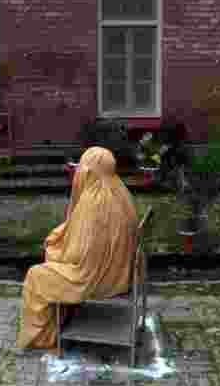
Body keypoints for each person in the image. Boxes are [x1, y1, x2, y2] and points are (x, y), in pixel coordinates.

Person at [17, 146, 138, 349]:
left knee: (35, 275)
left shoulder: (93, 201)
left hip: (97, 280)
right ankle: (63, 316)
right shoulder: (120, 190)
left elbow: (79, 255)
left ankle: (44, 336)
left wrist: (56, 249)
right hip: (121, 275)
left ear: (90, 170)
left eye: (82, 166)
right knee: (53, 251)